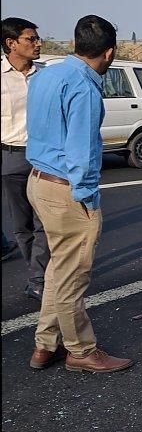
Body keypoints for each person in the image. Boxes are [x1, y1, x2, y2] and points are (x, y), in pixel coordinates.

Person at [26, 15, 133, 373]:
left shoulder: (46, 75)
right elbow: (82, 151)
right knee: (73, 275)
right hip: (65, 189)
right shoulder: (85, 88)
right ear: (109, 52)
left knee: (60, 267)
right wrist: (86, 198)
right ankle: (82, 351)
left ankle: (45, 344)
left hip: (38, 180)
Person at [1, 17, 50, 300]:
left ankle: (38, 278)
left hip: (43, 159)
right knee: (22, 225)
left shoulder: (44, 76)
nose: (38, 43)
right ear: (11, 43)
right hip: (11, 157)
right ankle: (38, 273)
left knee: (44, 222)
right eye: (31, 39)